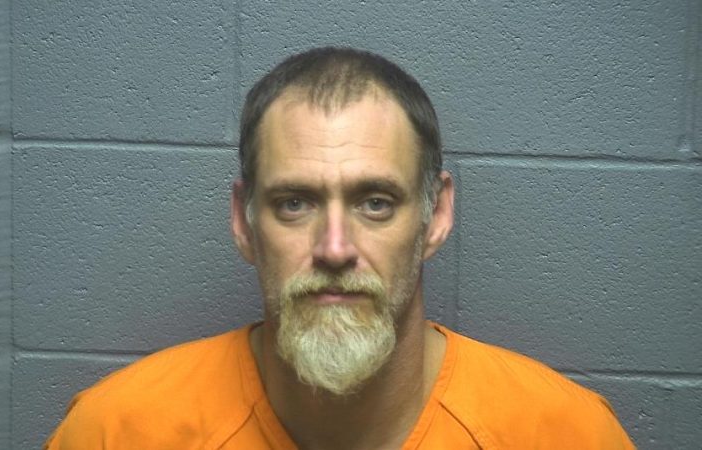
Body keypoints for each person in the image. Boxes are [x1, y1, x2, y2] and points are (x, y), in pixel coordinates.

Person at [44, 47, 634, 449]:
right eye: (294, 203)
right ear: (244, 223)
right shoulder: (117, 431)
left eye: (375, 202)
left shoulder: (566, 434)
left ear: (436, 217)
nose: (334, 248)